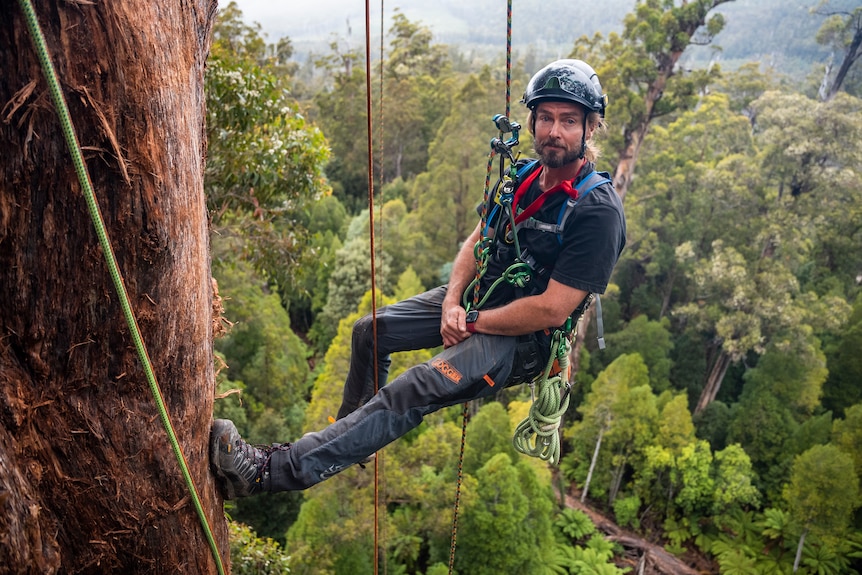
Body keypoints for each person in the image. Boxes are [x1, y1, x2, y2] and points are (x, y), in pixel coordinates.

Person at [209, 59, 626, 498]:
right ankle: (352, 436)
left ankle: (264, 473)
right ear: (533, 120)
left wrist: (471, 321)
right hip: (476, 302)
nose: (554, 131)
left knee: (414, 388)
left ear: (589, 129)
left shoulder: (596, 211)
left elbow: (553, 308)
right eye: (545, 118)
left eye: (568, 121)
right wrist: (452, 302)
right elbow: (475, 242)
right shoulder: (521, 176)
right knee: (370, 331)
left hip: (519, 340)